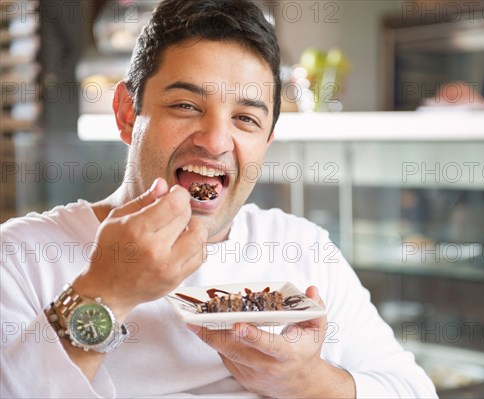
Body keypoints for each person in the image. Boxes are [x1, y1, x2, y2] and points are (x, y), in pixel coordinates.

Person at [0, 0, 437, 397]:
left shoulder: (304, 248)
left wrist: (308, 381)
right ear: (128, 113)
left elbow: (412, 390)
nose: (214, 141)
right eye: (186, 106)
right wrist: (105, 293)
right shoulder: (22, 255)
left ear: (266, 141)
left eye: (245, 118)